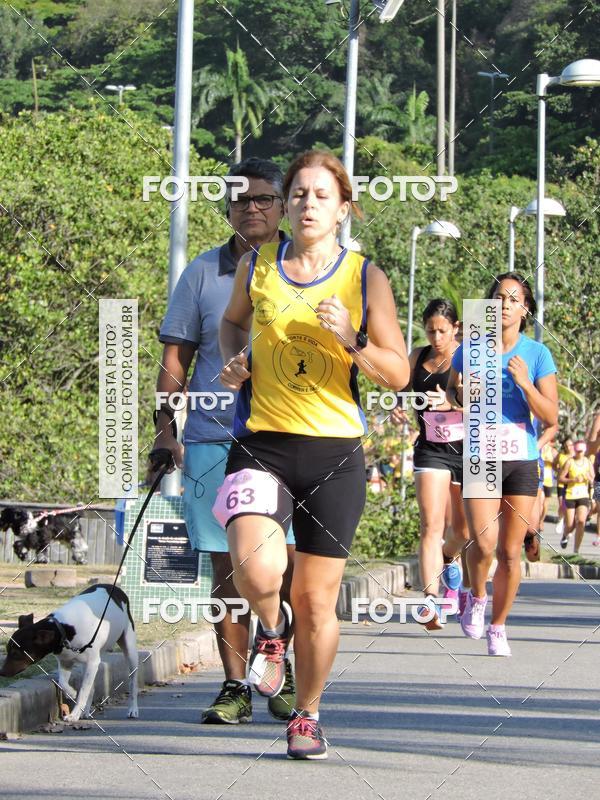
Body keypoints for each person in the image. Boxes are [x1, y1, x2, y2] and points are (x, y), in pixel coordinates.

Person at [216, 150, 409, 759]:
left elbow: (398, 372)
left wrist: (351, 339)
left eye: (322, 196)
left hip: (334, 454)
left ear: (343, 208)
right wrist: (239, 361)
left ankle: (307, 715)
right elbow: (232, 324)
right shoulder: (257, 264)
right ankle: (272, 631)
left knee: (317, 599)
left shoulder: (364, 277)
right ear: (286, 204)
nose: (308, 205)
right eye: (299, 193)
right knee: (255, 567)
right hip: (262, 443)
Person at [152, 158, 296, 725]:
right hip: (215, 440)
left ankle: (277, 666)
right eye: (240, 200)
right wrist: (165, 433)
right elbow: (176, 359)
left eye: (264, 199)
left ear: (283, 206)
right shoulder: (201, 273)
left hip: (293, 439)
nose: (252, 208)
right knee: (228, 570)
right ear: (227, 209)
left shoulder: (306, 267)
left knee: (285, 569)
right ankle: (235, 686)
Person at [447, 272, 558, 657]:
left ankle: (498, 626)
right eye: (498, 297)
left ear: (525, 309)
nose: (505, 304)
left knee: (511, 552)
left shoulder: (537, 354)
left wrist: (525, 383)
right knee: (483, 541)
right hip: (481, 453)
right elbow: (453, 390)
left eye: (514, 299)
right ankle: (477, 596)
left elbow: (551, 416)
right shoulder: (472, 348)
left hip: (520, 458)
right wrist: (461, 394)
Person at [391, 299, 469, 629]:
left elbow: (485, 404)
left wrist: (451, 402)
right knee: (430, 526)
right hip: (430, 449)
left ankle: (449, 557)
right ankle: (430, 601)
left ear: (456, 328)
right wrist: (396, 404)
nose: (436, 338)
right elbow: (399, 388)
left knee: (464, 531)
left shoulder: (467, 357)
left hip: (467, 450)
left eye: (442, 331)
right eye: (430, 331)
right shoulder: (417, 357)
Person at [558, 440, 594, 553]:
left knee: (581, 521)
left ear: (584, 451)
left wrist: (589, 477)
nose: (579, 453)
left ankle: (576, 550)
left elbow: (593, 478)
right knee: (570, 524)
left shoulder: (588, 462)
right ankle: (565, 535)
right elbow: (560, 478)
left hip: (583, 495)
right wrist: (573, 480)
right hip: (570, 495)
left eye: (581, 451)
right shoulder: (570, 462)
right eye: (578, 451)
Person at [554, 438, 574, 537]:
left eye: (570, 445)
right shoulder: (561, 455)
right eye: (566, 446)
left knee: (569, 506)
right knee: (562, 504)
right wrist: (558, 470)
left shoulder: (575, 456)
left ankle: (567, 526)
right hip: (561, 483)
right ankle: (561, 519)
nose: (568, 447)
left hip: (571, 484)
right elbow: (554, 464)